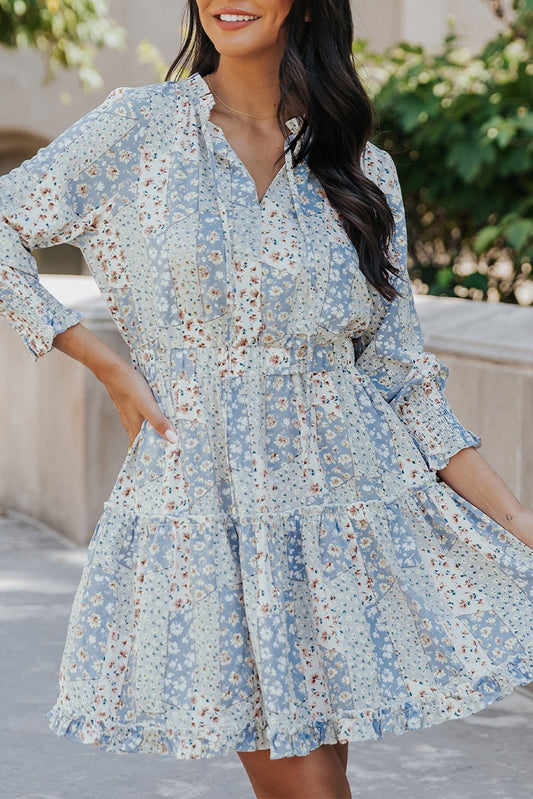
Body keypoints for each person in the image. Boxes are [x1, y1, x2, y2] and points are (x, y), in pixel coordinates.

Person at [1, 2, 532, 797]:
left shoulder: (360, 167)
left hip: (344, 516)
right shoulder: (140, 130)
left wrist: (516, 522)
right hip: (209, 510)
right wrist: (101, 360)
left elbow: (401, 382)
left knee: (320, 774)